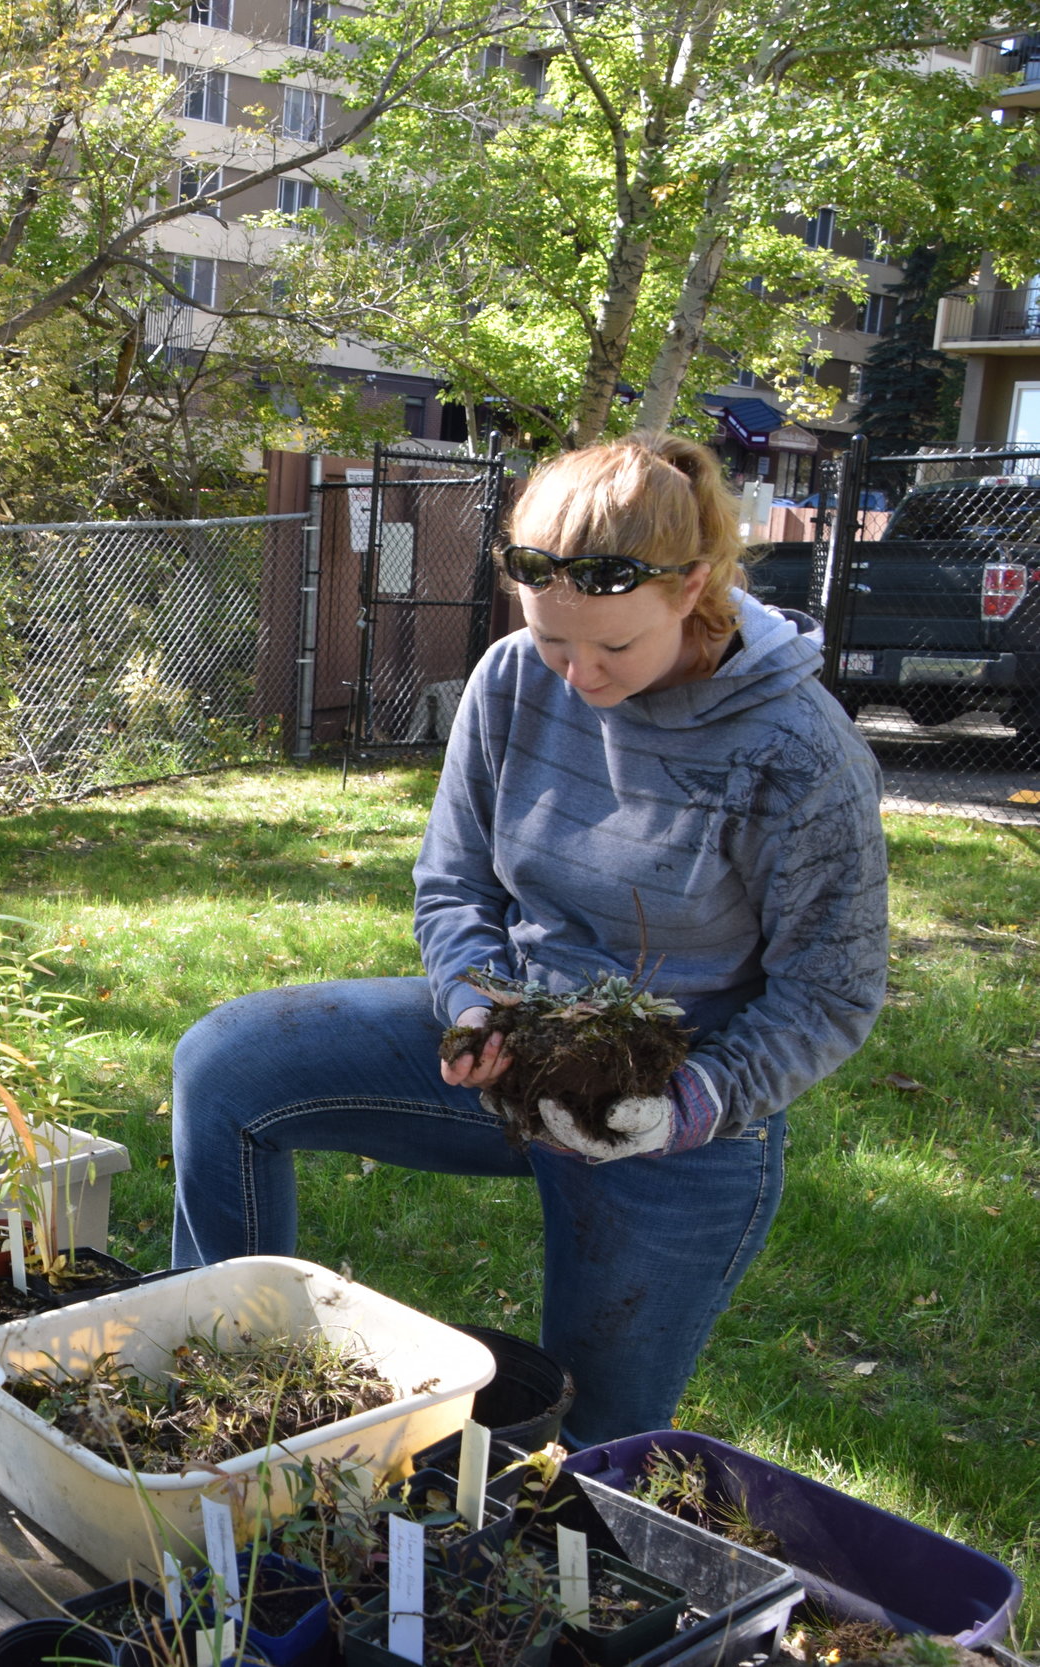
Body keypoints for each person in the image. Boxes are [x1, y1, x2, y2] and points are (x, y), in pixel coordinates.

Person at [167, 435, 887, 1442]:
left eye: (612, 648)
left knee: (583, 1445)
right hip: (518, 1042)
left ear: (695, 588)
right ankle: (222, 1387)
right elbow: (453, 882)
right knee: (226, 1066)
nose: (578, 673)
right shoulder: (514, 678)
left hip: (677, 1110)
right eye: (554, 639)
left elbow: (830, 993)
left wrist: (679, 1105)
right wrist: (472, 1003)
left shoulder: (797, 750)